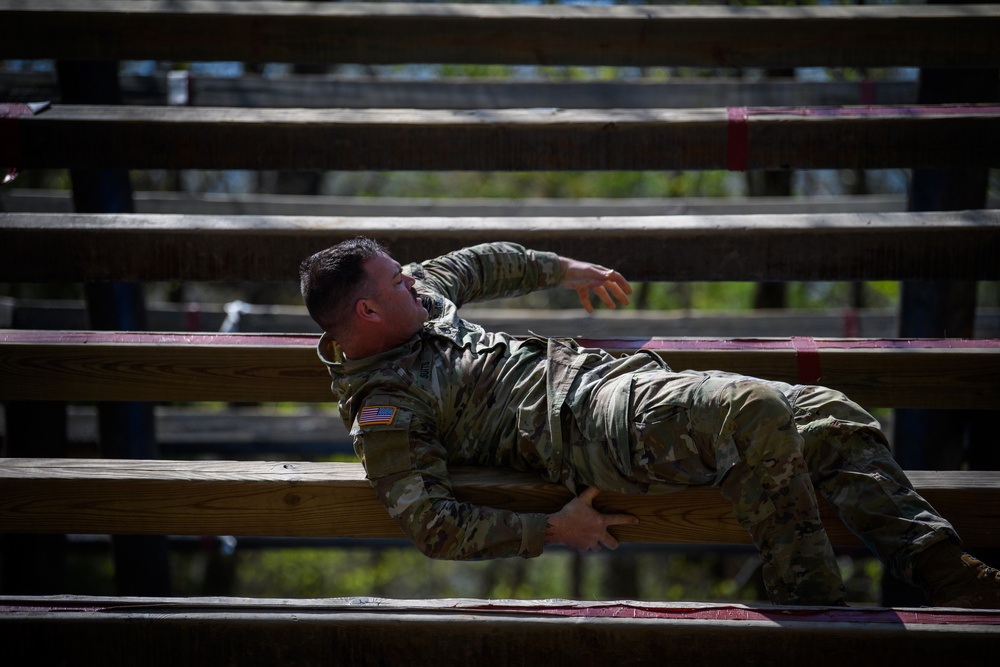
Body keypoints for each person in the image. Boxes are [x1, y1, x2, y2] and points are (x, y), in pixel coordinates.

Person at [300, 238, 1000, 607]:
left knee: (833, 413)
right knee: (752, 413)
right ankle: (816, 613)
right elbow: (432, 524)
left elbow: (486, 262)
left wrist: (565, 269)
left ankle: (945, 570)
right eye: (395, 283)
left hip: (618, 382)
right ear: (366, 314)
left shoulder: (412, 294)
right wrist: (548, 529)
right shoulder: (385, 409)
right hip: (586, 429)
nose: (413, 283)